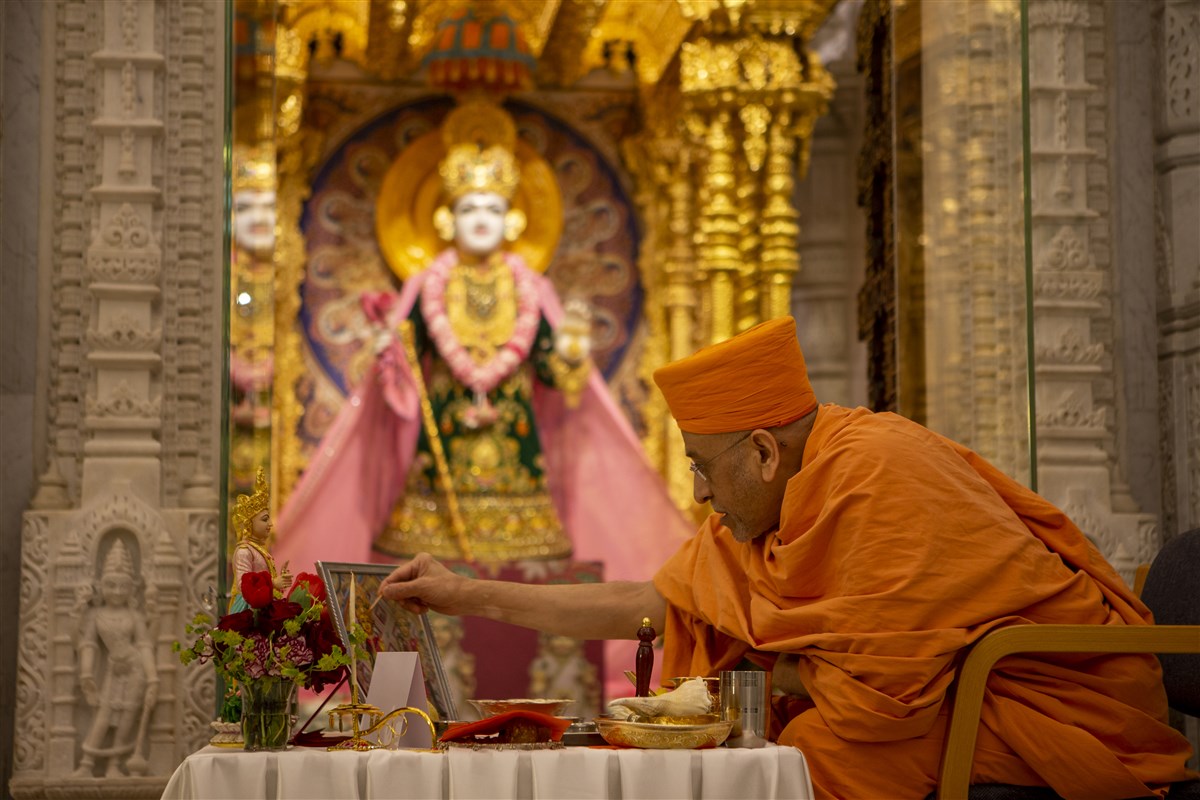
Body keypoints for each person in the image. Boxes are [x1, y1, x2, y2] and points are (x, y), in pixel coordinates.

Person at [378, 316, 1195, 799]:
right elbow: (665, 603)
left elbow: (882, 699)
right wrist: (464, 593)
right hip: (950, 701)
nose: (699, 494)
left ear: (764, 453)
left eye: (702, 466)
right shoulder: (777, 504)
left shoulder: (874, 475)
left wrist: (778, 675)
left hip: (1049, 709)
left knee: (768, 766)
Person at [74, 540, 158, 778]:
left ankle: (114, 765)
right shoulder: (96, 615)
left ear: (132, 589)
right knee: (103, 716)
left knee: (127, 717)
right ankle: (87, 764)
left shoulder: (134, 616)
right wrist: (86, 674)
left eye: (123, 586)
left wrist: (152, 678)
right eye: (111, 585)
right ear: (101, 586)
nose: (118, 592)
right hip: (113, 669)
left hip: (135, 670)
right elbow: (88, 645)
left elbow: (144, 646)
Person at [229, 467, 291, 612]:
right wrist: (274, 583)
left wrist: (278, 581)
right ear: (249, 524)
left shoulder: (259, 550)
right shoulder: (244, 551)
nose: (270, 524)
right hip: (247, 611)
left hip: (262, 607)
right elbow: (243, 586)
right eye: (264, 519)